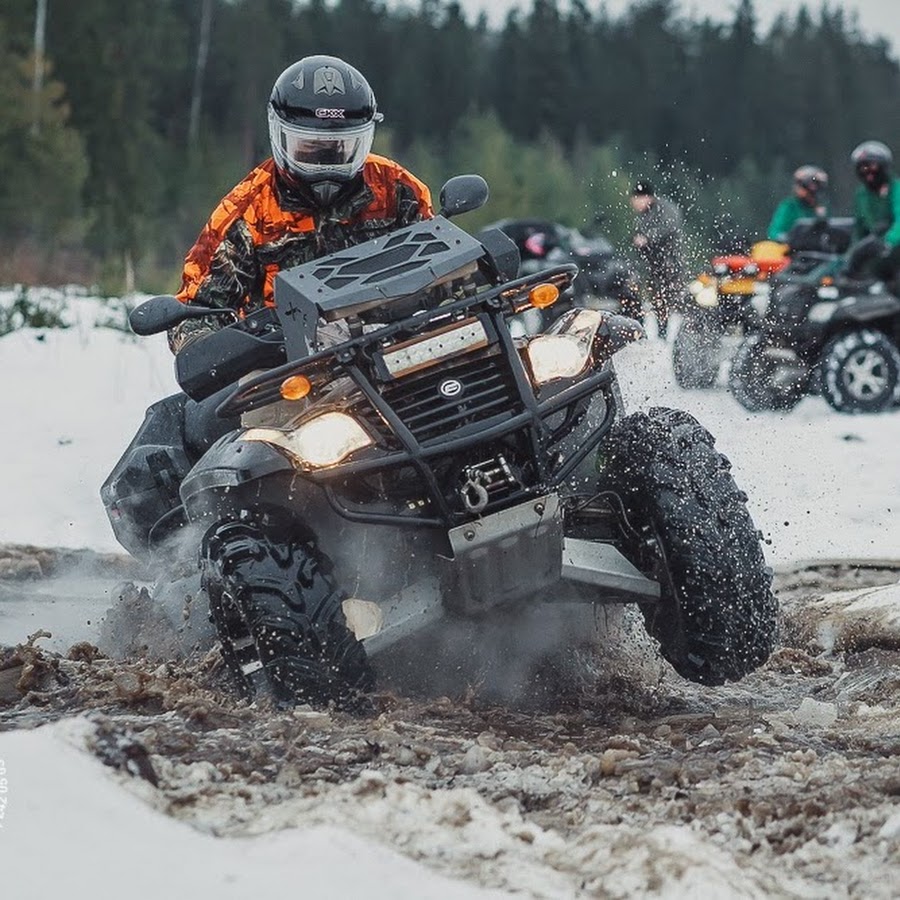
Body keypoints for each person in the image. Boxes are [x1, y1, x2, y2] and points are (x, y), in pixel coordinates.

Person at [170, 54, 433, 352]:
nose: (325, 164)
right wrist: (210, 349)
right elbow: (196, 309)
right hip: (290, 365)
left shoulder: (396, 187)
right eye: (308, 148)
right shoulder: (247, 209)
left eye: (340, 149)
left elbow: (441, 263)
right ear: (278, 134)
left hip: (395, 344)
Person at [629, 180, 685, 338]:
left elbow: (670, 226)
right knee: (657, 301)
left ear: (645, 197)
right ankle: (661, 333)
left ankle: (676, 334)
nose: (634, 205)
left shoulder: (664, 209)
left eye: (636, 200)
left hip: (669, 263)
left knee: (672, 301)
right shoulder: (643, 216)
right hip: (653, 265)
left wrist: (648, 238)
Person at [844, 140, 900, 284]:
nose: (868, 171)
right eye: (862, 167)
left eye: (872, 165)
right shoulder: (861, 195)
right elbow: (859, 228)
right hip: (876, 251)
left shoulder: (896, 189)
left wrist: (887, 242)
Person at [766, 165, 829, 242]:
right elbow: (774, 233)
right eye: (805, 185)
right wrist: (789, 238)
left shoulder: (822, 209)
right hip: (792, 250)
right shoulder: (789, 206)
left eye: (816, 186)